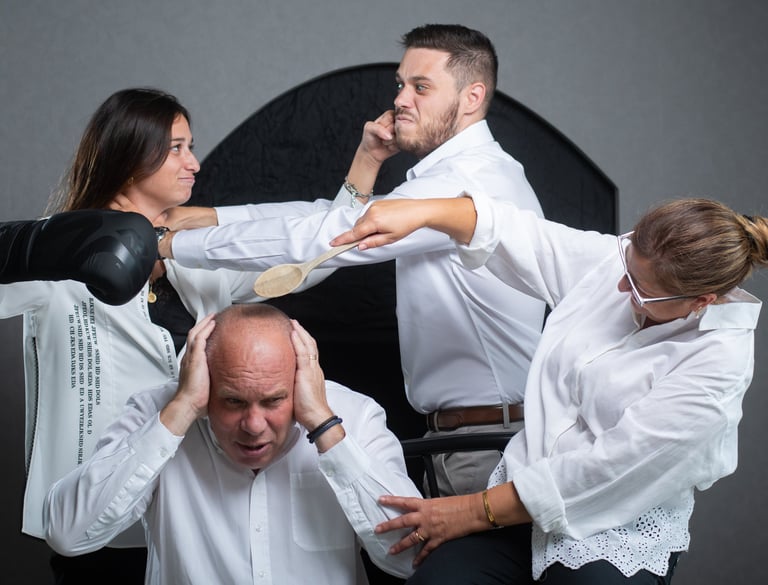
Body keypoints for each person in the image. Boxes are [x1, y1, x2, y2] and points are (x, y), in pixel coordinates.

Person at [158, 24, 547, 497]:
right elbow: (326, 217)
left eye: (421, 87)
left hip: (485, 443)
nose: (402, 99)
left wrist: (170, 244)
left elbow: (320, 236)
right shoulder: (459, 174)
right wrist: (211, 217)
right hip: (467, 437)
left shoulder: (466, 178)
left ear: (472, 97)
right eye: (401, 85)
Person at [328, 193, 766, 584]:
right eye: (626, 267)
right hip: (514, 507)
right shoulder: (625, 269)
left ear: (702, 301)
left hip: (614, 526)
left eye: (638, 288)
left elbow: (608, 469)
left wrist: (467, 512)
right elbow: (528, 238)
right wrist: (424, 212)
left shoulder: (718, 367)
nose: (619, 286)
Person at [0, 87, 336, 585]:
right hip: (98, 512)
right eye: (177, 148)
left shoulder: (196, 263)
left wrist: (359, 180)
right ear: (133, 154)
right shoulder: (60, 256)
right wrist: (60, 242)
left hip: (187, 513)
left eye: (190, 145)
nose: (194, 162)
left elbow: (304, 254)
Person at [44, 304, 422, 584]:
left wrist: (325, 429)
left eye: (273, 400)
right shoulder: (158, 412)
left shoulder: (354, 416)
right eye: (233, 401)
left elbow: (411, 557)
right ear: (204, 382)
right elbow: (68, 533)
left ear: (300, 379)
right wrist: (181, 410)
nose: (254, 425)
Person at [0, 210, 155, 304]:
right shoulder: (73, 234)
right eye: (174, 152)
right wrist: (29, 245)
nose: (181, 162)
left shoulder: (176, 259)